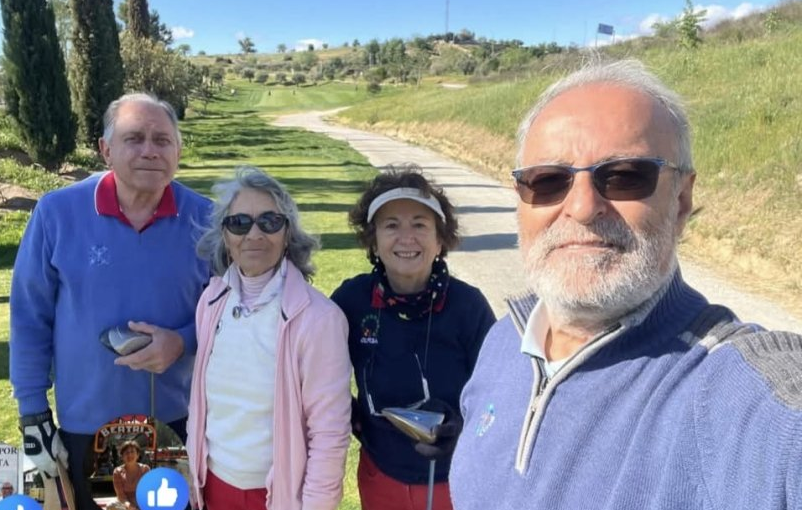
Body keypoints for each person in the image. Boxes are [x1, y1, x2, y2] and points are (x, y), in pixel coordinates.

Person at [449, 59, 802, 509]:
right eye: (548, 181)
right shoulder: (503, 340)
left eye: (624, 176)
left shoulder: (728, 394)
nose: (582, 208)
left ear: (681, 200)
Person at [10, 93, 213, 510]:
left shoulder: (208, 220)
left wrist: (183, 341)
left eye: (162, 140)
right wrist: (33, 413)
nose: (150, 150)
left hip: (179, 421)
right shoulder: (56, 213)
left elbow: (233, 314)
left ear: (178, 151)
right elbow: (30, 317)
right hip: (86, 424)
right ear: (105, 150)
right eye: (134, 138)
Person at [186, 166, 351, 510]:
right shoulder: (211, 301)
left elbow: (328, 433)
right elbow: (204, 404)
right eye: (239, 223)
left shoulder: (319, 319)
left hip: (276, 496)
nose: (254, 234)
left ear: (287, 233)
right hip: (213, 487)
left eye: (269, 222)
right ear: (225, 236)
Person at [331, 167, 496, 510]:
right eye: (391, 225)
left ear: (440, 239)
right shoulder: (352, 301)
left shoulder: (469, 306)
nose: (406, 238)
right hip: (380, 475)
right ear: (373, 240)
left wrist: (462, 426)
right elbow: (314, 370)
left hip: (455, 479)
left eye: (420, 224)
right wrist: (347, 411)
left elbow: (498, 395)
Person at [111, 440, 151, 510]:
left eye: (132, 452)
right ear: (122, 456)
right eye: (126, 452)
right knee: (111, 505)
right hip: (125, 503)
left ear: (138, 455)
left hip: (142, 501)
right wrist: (130, 506)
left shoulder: (145, 469)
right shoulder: (117, 472)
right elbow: (121, 496)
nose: (129, 455)